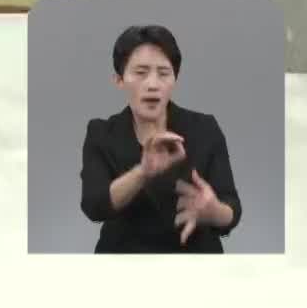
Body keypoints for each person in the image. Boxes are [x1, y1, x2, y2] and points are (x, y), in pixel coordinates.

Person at [78, 24, 243, 253]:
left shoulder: (204, 129)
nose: (153, 84)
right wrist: (142, 172)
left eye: (163, 73)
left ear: (175, 79)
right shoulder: (101, 133)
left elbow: (231, 207)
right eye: (141, 73)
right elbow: (94, 206)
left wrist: (214, 211)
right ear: (119, 79)